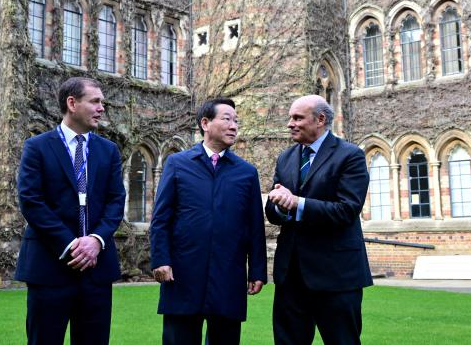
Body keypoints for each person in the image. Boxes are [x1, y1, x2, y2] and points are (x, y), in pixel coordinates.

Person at [14, 77, 126, 345]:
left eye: (103, 102)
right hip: (50, 265)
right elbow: (31, 200)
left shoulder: (109, 151)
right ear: (72, 103)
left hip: (97, 270)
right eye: (95, 101)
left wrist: (96, 241)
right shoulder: (37, 147)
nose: (101, 108)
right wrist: (71, 245)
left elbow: (115, 201)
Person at [150, 98, 267, 345]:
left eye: (236, 121)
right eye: (227, 119)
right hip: (181, 275)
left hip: (228, 276)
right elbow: (161, 218)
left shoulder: (246, 172)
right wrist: (161, 259)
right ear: (205, 123)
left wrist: (257, 270)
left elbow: (254, 226)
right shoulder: (177, 164)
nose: (234, 125)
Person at [265, 95, 373, 345]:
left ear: (321, 119)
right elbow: (275, 210)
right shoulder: (286, 158)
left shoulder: (350, 156)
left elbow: (347, 210)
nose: (290, 124)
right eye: (290, 118)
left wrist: (297, 203)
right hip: (291, 275)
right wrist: (279, 206)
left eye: (297, 118)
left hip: (336, 275)